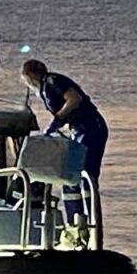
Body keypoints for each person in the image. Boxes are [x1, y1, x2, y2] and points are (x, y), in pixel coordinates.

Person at [21, 59, 109, 226]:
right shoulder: (45, 89)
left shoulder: (52, 81)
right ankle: (74, 220)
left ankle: (92, 221)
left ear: (29, 76)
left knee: (85, 173)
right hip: (79, 130)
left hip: (91, 128)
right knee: (69, 175)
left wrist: (58, 119)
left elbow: (74, 99)